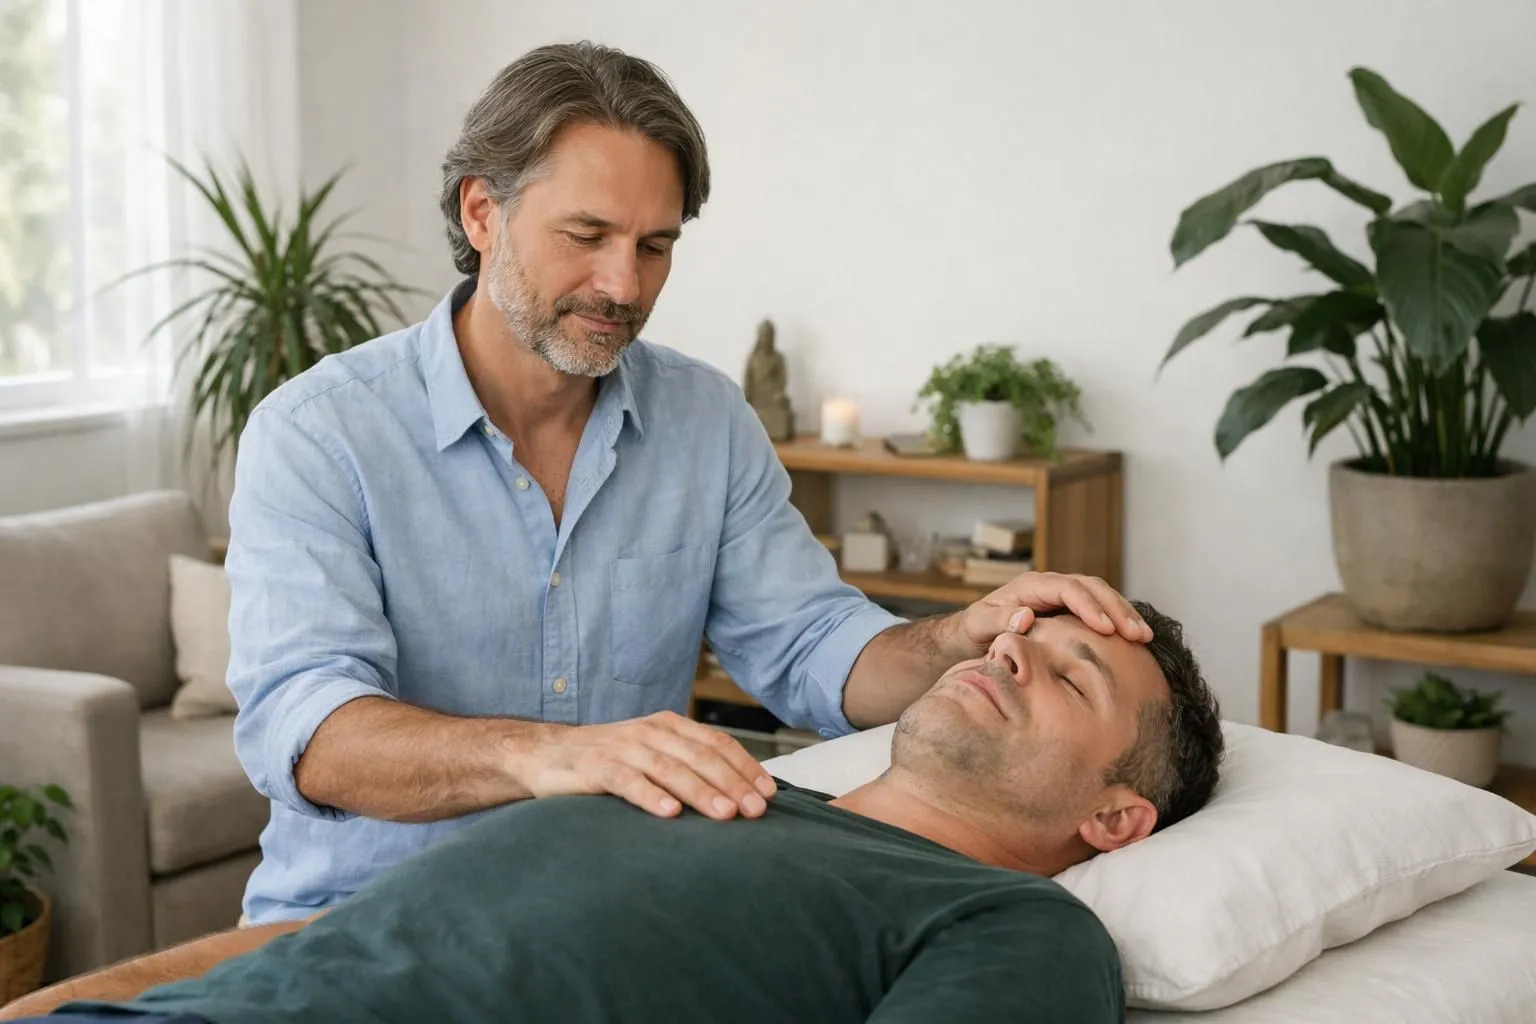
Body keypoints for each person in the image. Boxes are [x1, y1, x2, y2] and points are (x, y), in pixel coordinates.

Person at [221, 35, 1156, 926]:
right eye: (586, 234)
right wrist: (555, 756)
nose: (624, 286)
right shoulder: (320, 434)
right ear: (481, 212)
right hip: (358, 927)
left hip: (614, 924)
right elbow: (313, 737)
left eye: (656, 246)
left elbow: (813, 649)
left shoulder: (704, 419)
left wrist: (961, 634)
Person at [2, 601, 1224, 1024]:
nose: (1013, 653)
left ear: (1117, 819)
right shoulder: (704, 767)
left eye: (1070, 676)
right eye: (1021, 636)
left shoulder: (1009, 926)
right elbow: (356, 934)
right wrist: (83, 992)